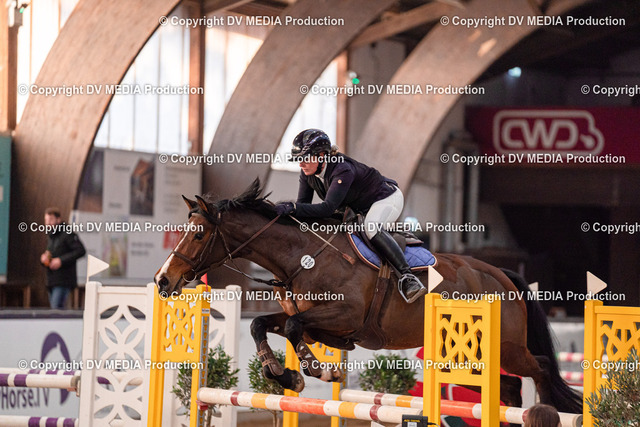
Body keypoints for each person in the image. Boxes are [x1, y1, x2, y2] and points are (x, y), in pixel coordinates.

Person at [275, 129, 427, 303]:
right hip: (360, 207)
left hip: (386, 198)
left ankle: (408, 278)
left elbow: (327, 208)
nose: (301, 164)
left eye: (305, 158)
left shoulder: (342, 169)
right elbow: (303, 206)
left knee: (371, 228)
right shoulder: (308, 174)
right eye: (299, 159)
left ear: (322, 155)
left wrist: (293, 208)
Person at [40, 207, 86, 308]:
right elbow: (52, 253)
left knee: (57, 310)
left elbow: (80, 251)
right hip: (52, 279)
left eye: (51, 220)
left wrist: (61, 261)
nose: (48, 223)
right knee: (55, 309)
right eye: (46, 220)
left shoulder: (67, 233)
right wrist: (44, 259)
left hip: (64, 280)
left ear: (58, 219)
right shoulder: (51, 236)